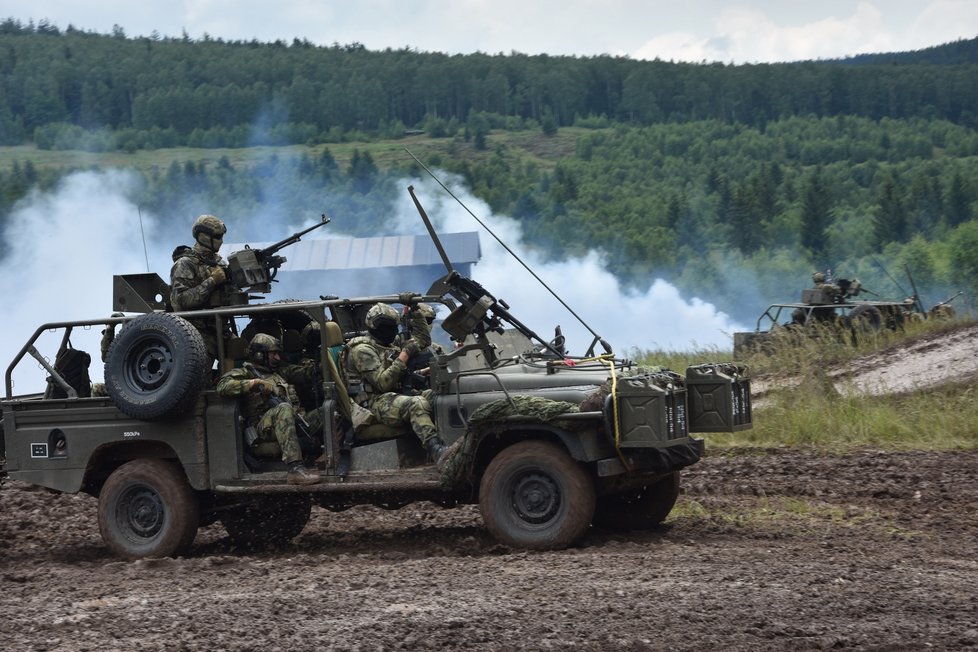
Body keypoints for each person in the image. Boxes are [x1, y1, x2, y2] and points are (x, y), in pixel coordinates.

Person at [343, 302, 448, 463]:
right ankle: (437, 451)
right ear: (374, 326)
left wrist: (415, 309)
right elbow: (382, 383)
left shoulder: (388, 345)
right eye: (386, 326)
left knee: (440, 396)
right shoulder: (362, 350)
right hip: (371, 403)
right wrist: (404, 355)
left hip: (393, 397)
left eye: (394, 326)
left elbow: (423, 340)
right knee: (416, 403)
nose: (392, 331)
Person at [216, 333, 320, 485]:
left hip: (294, 422)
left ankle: (328, 459)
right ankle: (295, 469)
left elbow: (302, 373)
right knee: (283, 408)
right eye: (273, 354)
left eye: (278, 354)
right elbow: (222, 385)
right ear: (259, 355)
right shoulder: (246, 372)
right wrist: (254, 383)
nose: (278, 358)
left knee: (326, 412)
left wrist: (318, 366)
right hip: (263, 428)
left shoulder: (279, 372)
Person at [170, 214, 233, 367]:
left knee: (243, 355)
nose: (222, 241)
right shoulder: (185, 263)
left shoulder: (218, 263)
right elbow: (181, 301)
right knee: (199, 377)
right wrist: (212, 281)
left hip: (220, 328)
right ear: (204, 237)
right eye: (218, 236)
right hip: (196, 331)